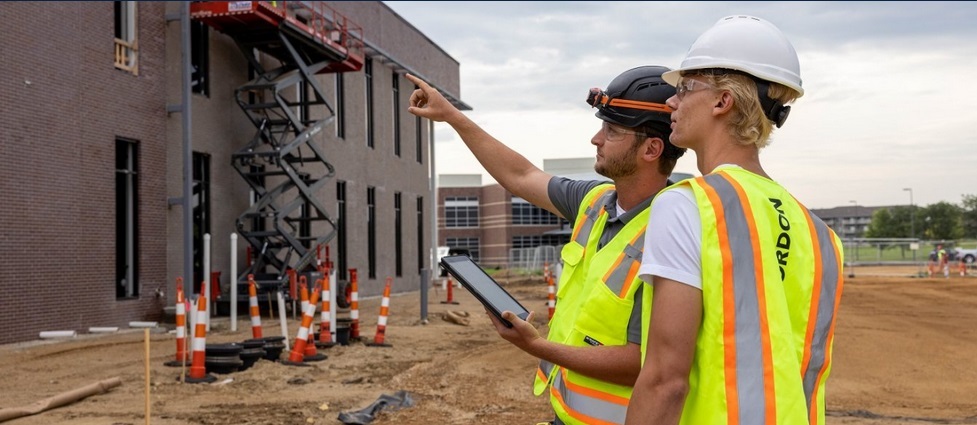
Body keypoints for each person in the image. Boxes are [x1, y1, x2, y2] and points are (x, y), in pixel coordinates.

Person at [406, 66, 686, 425]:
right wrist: (452, 116)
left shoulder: (674, 231)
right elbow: (520, 176)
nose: (596, 139)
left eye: (612, 130)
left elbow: (644, 364)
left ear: (651, 149)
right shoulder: (595, 201)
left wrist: (536, 346)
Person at [625, 16, 845, 424]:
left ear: (722, 101)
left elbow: (664, 381)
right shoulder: (821, 236)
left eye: (685, 88)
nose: (670, 102)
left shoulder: (690, 205)